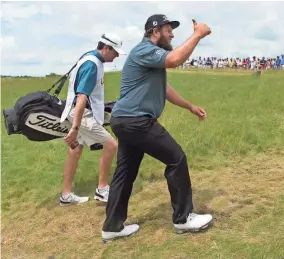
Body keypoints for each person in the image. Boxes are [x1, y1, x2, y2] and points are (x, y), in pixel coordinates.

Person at [101, 14, 212, 242]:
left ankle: (112, 226)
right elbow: (174, 59)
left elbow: (165, 88)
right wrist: (198, 34)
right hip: (136, 121)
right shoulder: (144, 50)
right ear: (155, 31)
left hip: (123, 120)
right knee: (176, 158)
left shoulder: (150, 59)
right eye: (168, 30)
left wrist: (189, 106)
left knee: (125, 172)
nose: (172, 34)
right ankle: (183, 219)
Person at [59, 33, 126, 206]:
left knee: (75, 151)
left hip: (77, 112)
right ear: (105, 48)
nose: (117, 56)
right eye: (115, 52)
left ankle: (66, 195)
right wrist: (75, 128)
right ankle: (102, 190)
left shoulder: (90, 57)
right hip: (81, 114)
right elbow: (81, 97)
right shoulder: (92, 65)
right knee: (112, 145)